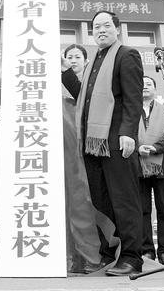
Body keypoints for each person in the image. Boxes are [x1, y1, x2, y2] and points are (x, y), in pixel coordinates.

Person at [61, 10, 144, 276]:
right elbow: (82, 97)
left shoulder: (126, 55)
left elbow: (133, 98)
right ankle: (112, 252)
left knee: (124, 199)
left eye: (106, 25)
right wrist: (65, 71)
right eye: (96, 27)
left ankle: (132, 257)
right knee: (101, 200)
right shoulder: (94, 60)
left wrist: (128, 132)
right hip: (93, 144)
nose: (101, 30)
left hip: (117, 141)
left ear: (117, 29)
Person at [61, 44, 103, 274]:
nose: (73, 60)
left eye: (77, 57)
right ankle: (69, 257)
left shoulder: (91, 82)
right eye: (69, 57)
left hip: (85, 147)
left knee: (85, 201)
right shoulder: (53, 84)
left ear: (86, 61)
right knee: (65, 202)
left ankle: (91, 257)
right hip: (62, 148)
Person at [137, 76, 164, 266]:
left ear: (155, 89)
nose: (145, 86)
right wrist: (138, 147)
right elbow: (126, 133)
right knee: (142, 210)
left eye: (149, 84)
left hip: (163, 167)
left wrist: (155, 147)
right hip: (138, 166)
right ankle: (147, 250)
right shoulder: (130, 110)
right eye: (141, 83)